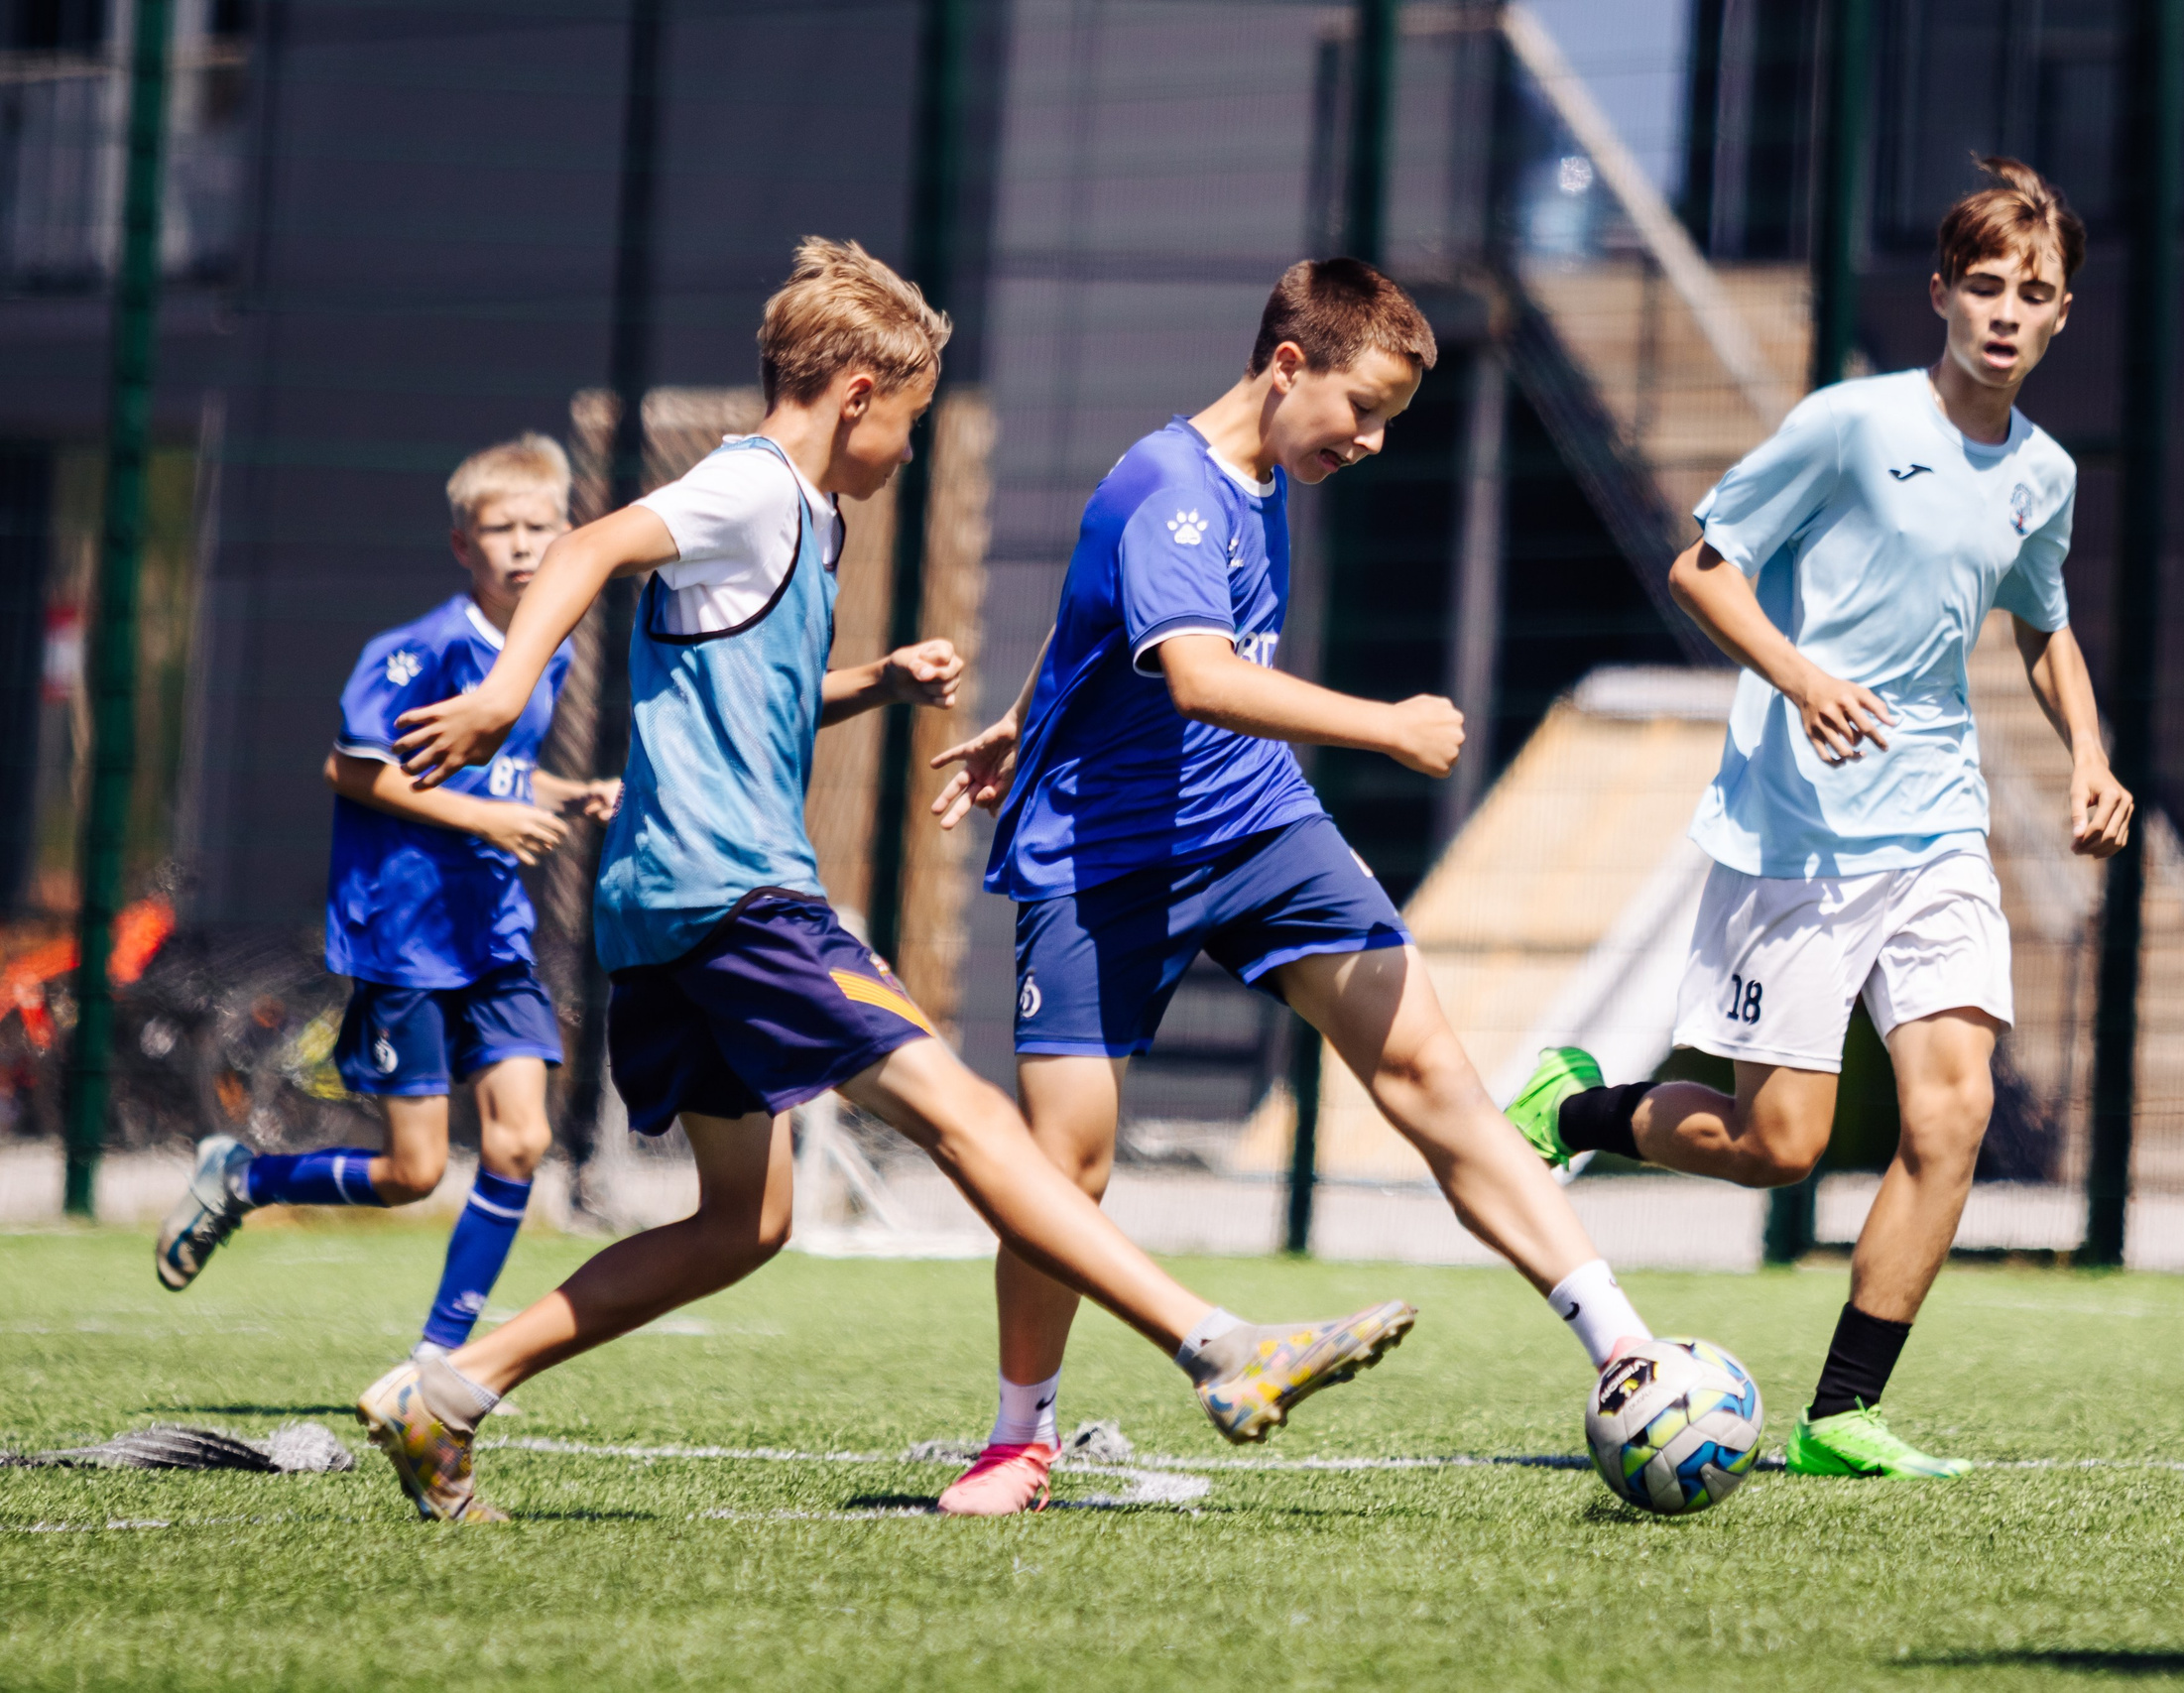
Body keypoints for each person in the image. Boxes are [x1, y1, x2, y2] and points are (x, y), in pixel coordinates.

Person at [364, 238, 1413, 1522]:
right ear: (859, 392)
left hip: (665, 907)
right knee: (972, 1115)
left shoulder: (808, 521)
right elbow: (586, 547)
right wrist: (503, 691)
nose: (910, 452)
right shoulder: (751, 487)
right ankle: (1217, 1342)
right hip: (738, 897)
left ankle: (452, 1389)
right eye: (910, 422)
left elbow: (749, 695)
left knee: (740, 1225)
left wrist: (878, 683)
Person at [921, 258, 1655, 1517]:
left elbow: (1108, 609)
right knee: (1067, 1162)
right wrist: (1385, 725)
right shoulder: (1169, 487)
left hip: (1258, 822)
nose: (1369, 441)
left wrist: (1022, 709)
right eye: (1360, 410)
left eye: (1389, 423)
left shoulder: (1261, 474)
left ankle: (1629, 1353)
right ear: (1287, 366)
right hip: (1106, 855)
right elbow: (1200, 674)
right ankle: (1017, 1441)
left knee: (1430, 1074)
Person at [1503, 160, 2130, 1480]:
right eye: (1987, 286)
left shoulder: (2044, 474)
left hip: (1938, 828)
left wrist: (2091, 753)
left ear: (2064, 313)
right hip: (1795, 828)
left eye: (2037, 292)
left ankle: (1843, 1409)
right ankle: (1583, 1109)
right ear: (1943, 293)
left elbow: (2044, 624)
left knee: (1948, 1116)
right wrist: (1801, 674)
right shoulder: (1850, 424)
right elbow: (1702, 567)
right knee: (1777, 1146)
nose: (2008, 312)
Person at [155, 434, 616, 1368]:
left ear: (567, 533)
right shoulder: (422, 647)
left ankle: (438, 1362)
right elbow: (354, 768)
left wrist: (566, 793)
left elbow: (501, 768)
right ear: (461, 544)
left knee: (520, 1140)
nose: (523, 545)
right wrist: (490, 821)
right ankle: (245, 1175)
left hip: (495, 933)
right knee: (412, 1172)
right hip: (408, 936)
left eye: (540, 526)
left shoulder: (544, 648)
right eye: (500, 528)